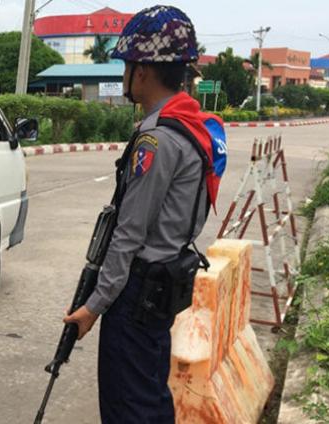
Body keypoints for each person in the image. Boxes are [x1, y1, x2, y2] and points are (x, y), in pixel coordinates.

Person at [62, 5, 226, 423]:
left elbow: (129, 233)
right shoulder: (194, 127)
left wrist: (93, 307)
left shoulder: (157, 139)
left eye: (128, 65)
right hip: (165, 281)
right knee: (150, 396)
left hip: (137, 291)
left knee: (127, 407)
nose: (125, 75)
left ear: (143, 71)